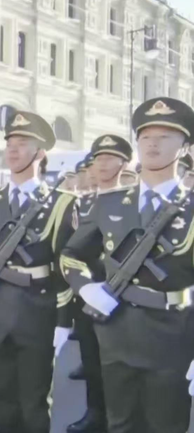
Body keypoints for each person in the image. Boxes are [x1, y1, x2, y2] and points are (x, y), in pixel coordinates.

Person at [61, 97, 194, 433]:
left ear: (184, 147)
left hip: (174, 336)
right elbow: (71, 255)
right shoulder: (108, 203)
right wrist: (87, 288)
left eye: (165, 137)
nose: (152, 144)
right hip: (116, 332)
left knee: (166, 426)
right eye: (146, 136)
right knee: (120, 424)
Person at [0, 110, 77, 433]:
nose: (12, 150)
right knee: (2, 398)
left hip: (37, 310)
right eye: (10, 143)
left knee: (34, 401)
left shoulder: (60, 203)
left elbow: (67, 265)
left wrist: (63, 320)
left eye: (22, 143)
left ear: (40, 153)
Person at [66, 134, 132, 433]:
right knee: (92, 357)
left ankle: (119, 417)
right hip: (88, 288)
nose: (102, 165)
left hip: (121, 292)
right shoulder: (84, 202)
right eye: (98, 159)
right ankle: (95, 412)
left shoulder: (132, 201)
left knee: (121, 366)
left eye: (109, 159)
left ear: (123, 164)